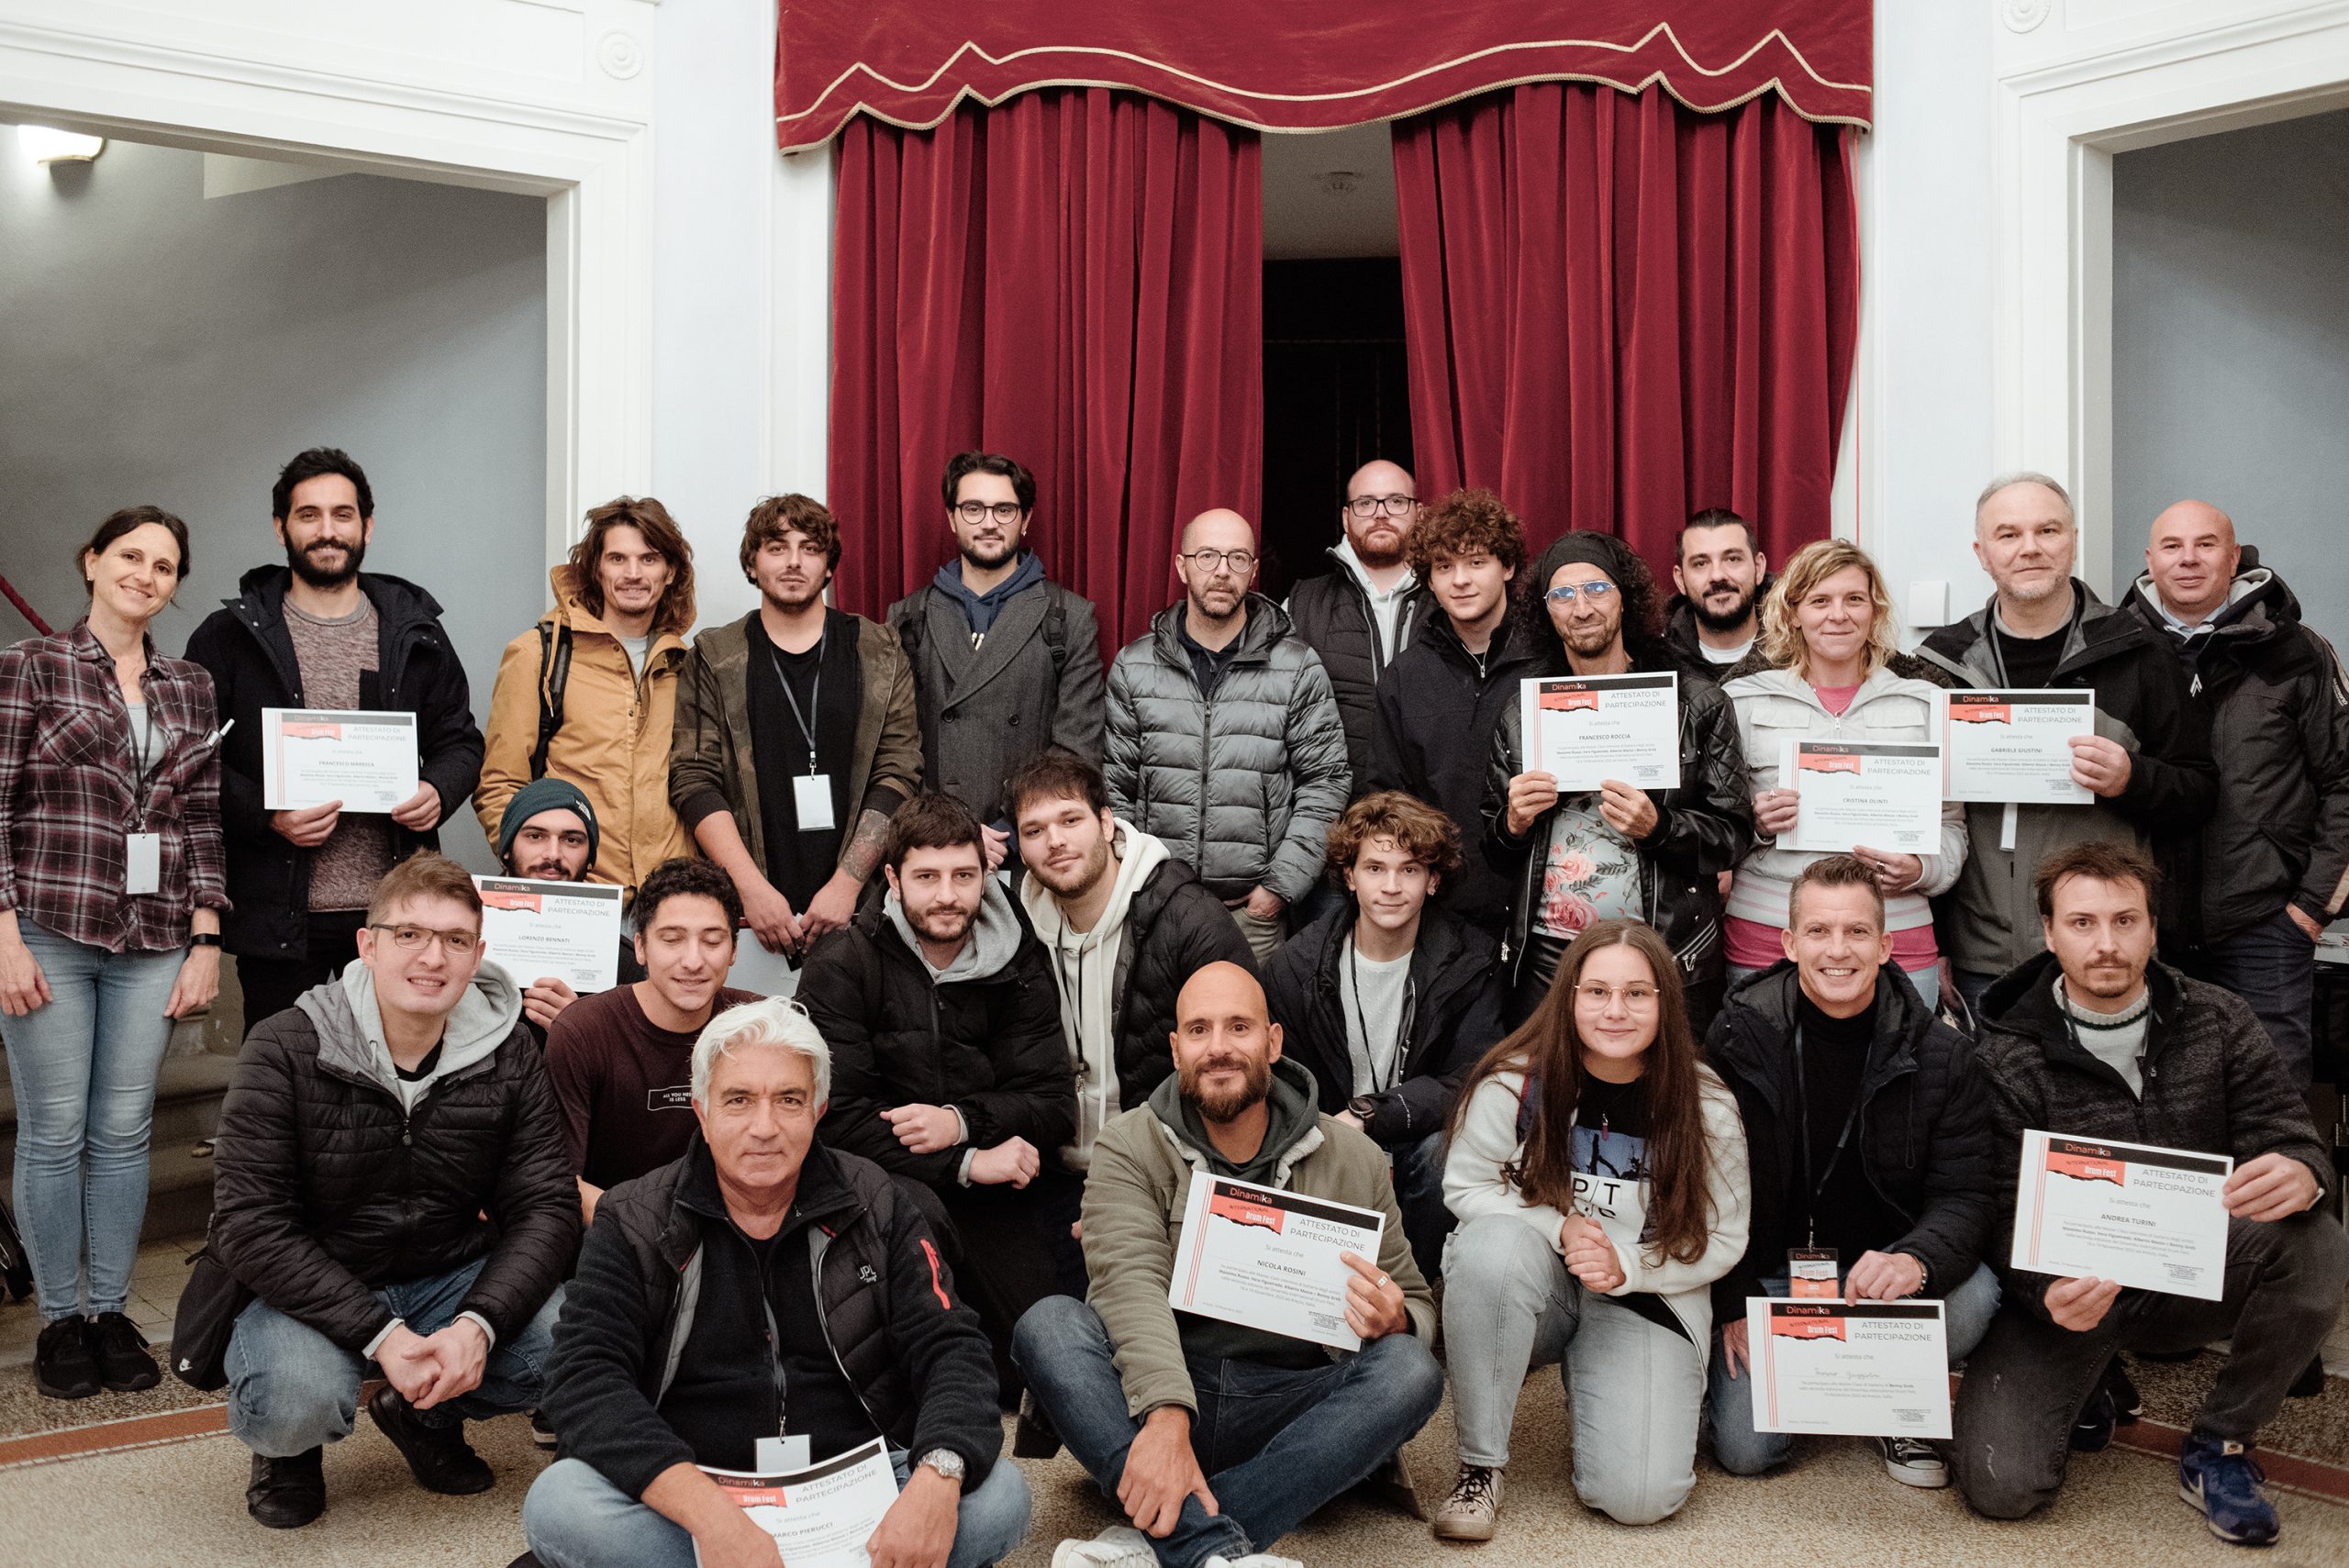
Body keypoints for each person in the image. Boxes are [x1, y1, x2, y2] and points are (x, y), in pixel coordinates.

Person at [523, 997, 1031, 1568]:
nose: (763, 1128)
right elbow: (586, 1376)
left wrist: (936, 1477)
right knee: (559, 1502)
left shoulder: (879, 1201)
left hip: (856, 1479)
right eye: (738, 1100)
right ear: (702, 1113)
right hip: (695, 1485)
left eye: (788, 1100)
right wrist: (713, 1520)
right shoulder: (634, 1216)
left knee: (999, 1496)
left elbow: (951, 1347)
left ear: (818, 1111)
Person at [1950, 842, 2348, 1548]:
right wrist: (2045, 1290)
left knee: (2317, 1239)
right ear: (2049, 932)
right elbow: (1997, 1209)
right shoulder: (2005, 1055)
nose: (2106, 943)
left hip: (2190, 1274)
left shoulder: (2219, 1017)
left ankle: (2220, 1443)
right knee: (2000, 1486)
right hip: (2068, 1296)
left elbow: (2289, 1133)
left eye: (2125, 920)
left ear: (2153, 928)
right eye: (2083, 922)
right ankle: (2094, 1376)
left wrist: (2304, 1169)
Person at [1013, 962, 1442, 1568]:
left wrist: (1396, 1318)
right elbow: (1128, 1285)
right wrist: (1166, 1414)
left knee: (1411, 1370)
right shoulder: (1128, 1143)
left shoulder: (1354, 1157)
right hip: (1153, 1394)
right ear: (1176, 1049)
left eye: (1239, 1027)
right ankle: (1209, 1549)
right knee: (1049, 1325)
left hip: (1289, 1408)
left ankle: (1165, 1540)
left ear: (1273, 1041)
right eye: (1199, 1030)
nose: (1218, 1047)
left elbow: (1416, 1298)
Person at [207, 852, 577, 1529]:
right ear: (368, 945)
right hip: (318, 1279)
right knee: (293, 1400)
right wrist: (383, 1336)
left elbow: (546, 1205)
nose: (433, 957)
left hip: (448, 1272)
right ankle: (291, 1454)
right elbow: (250, 1224)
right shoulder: (285, 1045)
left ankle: (424, 1414)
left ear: (478, 956)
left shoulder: (510, 1049)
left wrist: (478, 1324)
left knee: (573, 1343)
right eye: (409, 934)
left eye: (455, 939)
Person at [0, 507, 227, 1400]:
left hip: (156, 937)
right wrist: (3, 935)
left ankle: (109, 1312)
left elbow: (201, 818)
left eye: (165, 564)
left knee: (124, 1130)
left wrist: (206, 937)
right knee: (55, 1129)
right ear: (92, 560)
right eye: (130, 554)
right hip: (49, 927)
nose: (146, 574)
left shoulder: (190, 684)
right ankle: (60, 1320)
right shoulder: (30, 666)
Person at [1434, 919, 1749, 1538]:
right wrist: (1560, 1228)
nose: (1615, 1010)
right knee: (1488, 1249)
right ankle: (1480, 1466)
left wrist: (1626, 1266)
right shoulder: (1514, 1081)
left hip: (1645, 1294)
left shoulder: (1706, 1102)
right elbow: (1465, 1188)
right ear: (1569, 995)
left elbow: (1724, 1236)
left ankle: (1622, 1382)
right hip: (1539, 1282)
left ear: (1666, 1001)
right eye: (1598, 991)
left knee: (1640, 1498)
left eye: (1637, 993)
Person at [1703, 855, 1998, 1488]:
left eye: (1858, 932)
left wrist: (1916, 1259)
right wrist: (1732, 1302)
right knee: (1747, 1451)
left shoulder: (1944, 1055)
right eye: (1819, 931)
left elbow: (1967, 1194)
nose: (1838, 950)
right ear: (1789, 944)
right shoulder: (1737, 1034)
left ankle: (1893, 1395)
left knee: (1975, 1294)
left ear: (1886, 945)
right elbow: (1703, 1183)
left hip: (1881, 1280)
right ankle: (1842, 1379)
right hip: (1773, 1275)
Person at [184, 447, 484, 1034]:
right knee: (280, 1067)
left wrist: (437, 789)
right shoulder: (227, 637)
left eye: (342, 515)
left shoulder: (416, 632)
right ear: (281, 528)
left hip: (395, 914)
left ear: (367, 526)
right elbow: (194, 761)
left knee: (394, 1066)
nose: (327, 531)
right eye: (309, 515)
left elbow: (461, 742)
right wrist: (269, 814)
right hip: (278, 915)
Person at [797, 793, 1074, 1379]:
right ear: (893, 879)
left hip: (995, 1186)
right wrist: (966, 1162)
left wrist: (961, 1122)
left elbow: (1052, 1103)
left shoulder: (1017, 959)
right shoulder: (844, 962)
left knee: (1037, 1354)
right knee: (928, 1325)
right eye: (927, 876)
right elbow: (835, 1118)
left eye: (963, 876)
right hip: (886, 1185)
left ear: (985, 876)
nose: (947, 895)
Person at [1918, 474, 2216, 1017]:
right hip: (1979, 952)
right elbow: (1921, 816)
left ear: (2073, 540)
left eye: (2047, 530)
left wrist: (2132, 779)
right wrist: (1934, 942)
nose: (2029, 547)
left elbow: (2199, 790)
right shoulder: (1941, 662)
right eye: (2009, 534)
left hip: (2103, 951)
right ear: (1982, 553)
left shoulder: (2139, 652)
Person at [1008, 749, 1258, 1290]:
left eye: (1070, 820)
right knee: (1036, 1318)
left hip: (1164, 1174)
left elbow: (1243, 1069)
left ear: (1106, 823)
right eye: (1035, 830)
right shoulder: (1014, 930)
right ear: (1020, 848)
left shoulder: (1188, 918)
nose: (1055, 841)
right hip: (1050, 1172)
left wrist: (1135, 1198)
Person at [1485, 531, 1753, 1030]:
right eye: (1562, 595)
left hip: (1660, 953)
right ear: (1546, 610)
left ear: (1624, 597)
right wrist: (1513, 823)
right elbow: (1494, 849)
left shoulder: (1696, 703)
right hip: (1548, 956)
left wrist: (1659, 827)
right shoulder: (1524, 713)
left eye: (1596, 589)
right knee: (1544, 1080)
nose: (1581, 608)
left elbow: (1733, 837)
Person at [2121, 500, 2349, 1085]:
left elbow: (2345, 780)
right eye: (2172, 546)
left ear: (2234, 557)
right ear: (2149, 559)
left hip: (2265, 927)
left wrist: (2311, 910)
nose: (2188, 559)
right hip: (2144, 929)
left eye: (2205, 544)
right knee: (2159, 1102)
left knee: (2271, 1101)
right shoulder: (2115, 652)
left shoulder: (2297, 651)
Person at [670, 494, 921, 962]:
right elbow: (694, 778)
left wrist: (847, 884)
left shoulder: (880, 650)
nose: (793, 561)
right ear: (752, 564)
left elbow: (899, 770)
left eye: (810, 548)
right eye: (777, 547)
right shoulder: (715, 656)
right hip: (747, 911)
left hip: (862, 905)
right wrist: (751, 890)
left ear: (828, 567)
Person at [1263, 791, 1503, 1280]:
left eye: (1409, 870)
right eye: (1375, 868)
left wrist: (1371, 1114)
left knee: (1444, 1153)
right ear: (1350, 877)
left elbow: (1471, 1078)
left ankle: (1412, 1288)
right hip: (1327, 1139)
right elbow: (1280, 1078)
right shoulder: (1297, 965)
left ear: (1433, 880)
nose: (1391, 887)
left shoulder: (1472, 960)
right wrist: (1332, 1129)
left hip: (1413, 1138)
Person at [1720, 539, 1965, 1008]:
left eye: (1854, 599)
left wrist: (1921, 869)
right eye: (1819, 601)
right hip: (1768, 931)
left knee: (1903, 1058)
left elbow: (1952, 826)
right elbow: (1713, 827)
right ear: (1793, 613)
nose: (1838, 615)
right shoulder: (1741, 701)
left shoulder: (1925, 704)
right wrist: (1756, 823)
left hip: (1895, 931)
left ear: (1874, 611)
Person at [1104, 509, 1350, 963]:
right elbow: (1116, 787)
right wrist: (1136, 883)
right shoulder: (1134, 666)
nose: (1222, 570)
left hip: (1253, 918)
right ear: (1182, 567)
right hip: (1157, 912)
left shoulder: (1296, 667)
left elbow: (1325, 783)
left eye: (1237, 558)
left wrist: (1278, 889)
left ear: (1253, 571)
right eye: (1207, 556)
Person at [887, 451, 1106, 870]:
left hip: (1030, 849)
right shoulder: (908, 617)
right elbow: (896, 749)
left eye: (1004, 509)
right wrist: (952, 831)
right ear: (952, 518)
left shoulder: (1069, 617)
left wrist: (1013, 830)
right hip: (935, 847)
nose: (989, 523)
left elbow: (1076, 750)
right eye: (973, 509)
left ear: (1025, 520)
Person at [478, 496, 698, 895]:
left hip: (670, 897)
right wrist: (543, 872)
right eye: (617, 559)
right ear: (596, 568)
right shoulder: (540, 654)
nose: (633, 573)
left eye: (649, 559)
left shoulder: (688, 666)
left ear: (670, 572)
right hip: (577, 893)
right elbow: (500, 785)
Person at [545, 856, 759, 1223]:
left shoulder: (760, 1027)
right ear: (641, 947)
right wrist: (648, 1231)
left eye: (712, 941)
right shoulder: (582, 1032)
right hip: (613, 1232)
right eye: (672, 940)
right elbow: (561, 1181)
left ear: (734, 950)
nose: (693, 961)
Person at [1364, 487, 1533, 937]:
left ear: (1507, 567)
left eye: (1476, 562)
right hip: (1444, 912)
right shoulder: (1405, 677)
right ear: (1429, 580)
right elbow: (1388, 799)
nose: (1460, 580)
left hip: (1542, 905)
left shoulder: (1551, 663)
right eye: (1444, 566)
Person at [1285, 460, 1431, 798]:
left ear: (1419, 513)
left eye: (1396, 501)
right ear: (1346, 518)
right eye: (1366, 503)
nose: (1381, 514)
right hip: (1331, 813)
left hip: (1431, 814)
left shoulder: (1453, 601)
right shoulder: (1301, 603)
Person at [491, 774, 648, 1046]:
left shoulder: (625, 965)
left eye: (571, 840)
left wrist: (583, 1031)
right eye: (535, 836)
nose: (553, 854)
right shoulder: (462, 941)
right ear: (506, 849)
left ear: (590, 858)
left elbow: (637, 1063)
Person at [1663, 507, 1772, 669]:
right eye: (1700, 563)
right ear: (1680, 580)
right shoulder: (1656, 665)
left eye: (1732, 559)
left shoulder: (1801, 656)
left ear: (1759, 568)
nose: (1717, 576)